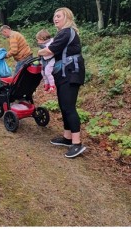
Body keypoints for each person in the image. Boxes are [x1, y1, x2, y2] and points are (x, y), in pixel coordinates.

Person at [38, 8, 86, 159]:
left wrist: (40, 52)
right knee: (64, 105)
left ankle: (77, 143)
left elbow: (49, 51)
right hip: (65, 73)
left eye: (59, 16)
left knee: (69, 107)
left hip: (71, 73)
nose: (55, 18)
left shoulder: (66, 32)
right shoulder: (64, 33)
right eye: (54, 16)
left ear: (67, 17)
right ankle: (67, 138)